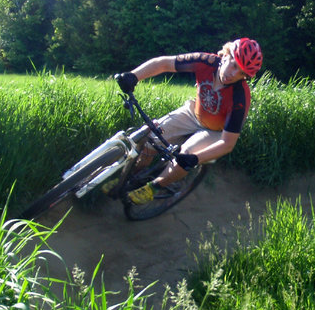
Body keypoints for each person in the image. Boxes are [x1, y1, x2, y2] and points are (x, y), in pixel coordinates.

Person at [111, 37, 262, 205]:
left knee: (186, 156)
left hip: (216, 132)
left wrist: (196, 159)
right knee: (150, 139)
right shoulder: (205, 61)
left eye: (241, 73)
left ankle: (154, 187)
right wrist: (134, 76)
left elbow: (228, 143)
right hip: (193, 113)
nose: (233, 74)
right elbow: (164, 63)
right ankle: (128, 176)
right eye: (234, 65)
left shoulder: (240, 96)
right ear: (226, 55)